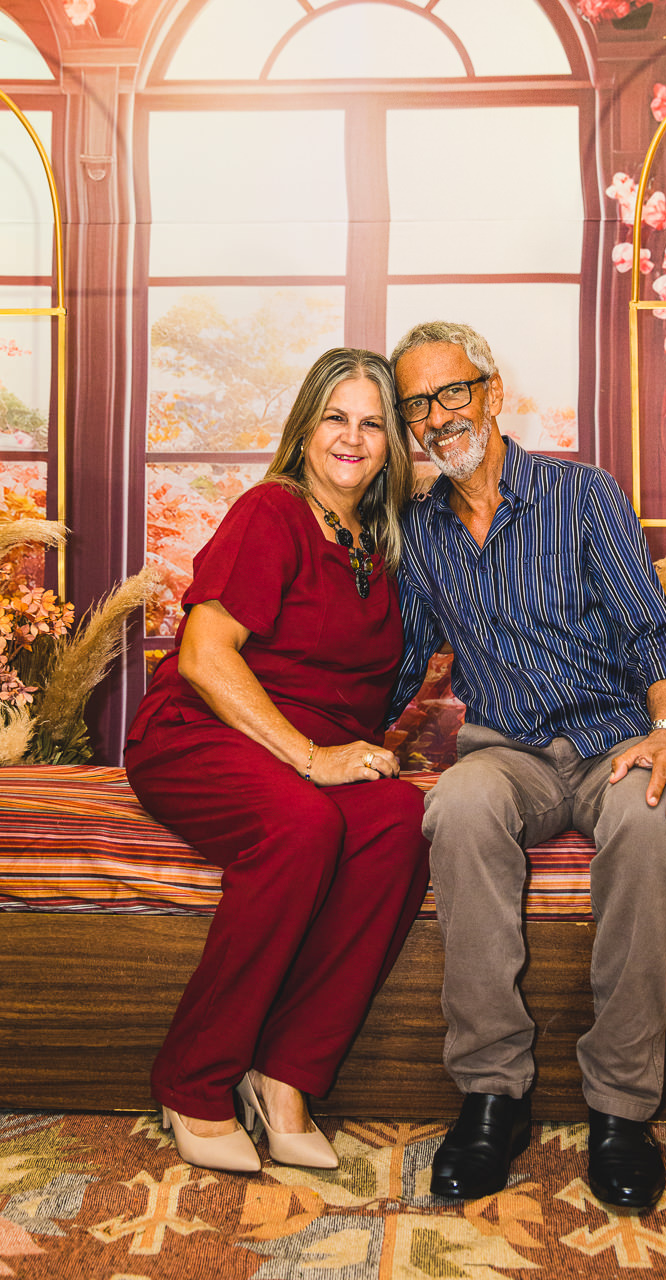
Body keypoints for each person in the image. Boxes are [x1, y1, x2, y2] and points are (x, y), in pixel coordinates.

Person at [388, 321, 666, 1210]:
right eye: (416, 405)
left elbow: (653, 631)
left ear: (490, 392)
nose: (436, 417)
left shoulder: (581, 493)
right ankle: (492, 1094)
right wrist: (319, 743)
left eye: (452, 392)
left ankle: (620, 1108)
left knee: (651, 817)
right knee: (457, 804)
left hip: (612, 743)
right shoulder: (419, 531)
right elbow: (402, 664)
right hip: (507, 753)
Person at [125, 348, 431, 1175]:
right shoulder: (272, 510)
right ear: (304, 430)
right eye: (335, 417)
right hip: (201, 732)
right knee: (302, 826)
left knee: (402, 819)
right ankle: (193, 1080)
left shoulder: (383, 546)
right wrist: (311, 758)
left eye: (372, 423)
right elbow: (204, 655)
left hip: (305, 750)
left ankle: (285, 1075)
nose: (352, 437)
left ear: (391, 445)